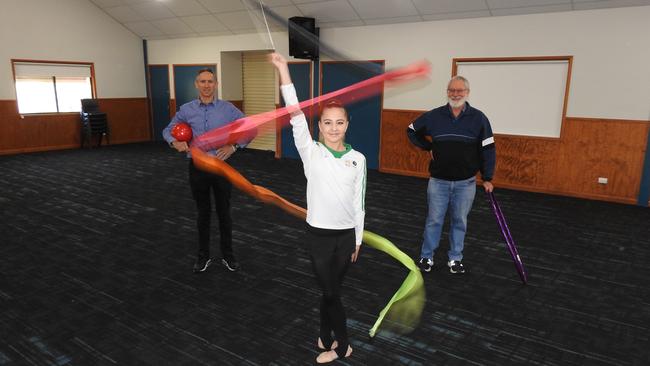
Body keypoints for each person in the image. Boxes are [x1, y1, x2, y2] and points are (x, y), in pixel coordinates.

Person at [269, 52, 365, 363]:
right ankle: (344, 344)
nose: (334, 128)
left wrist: (359, 239)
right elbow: (295, 112)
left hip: (346, 237)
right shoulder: (311, 152)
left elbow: (358, 203)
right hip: (319, 237)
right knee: (331, 292)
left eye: (339, 122)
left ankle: (326, 335)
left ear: (347, 124)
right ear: (319, 126)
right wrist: (284, 69)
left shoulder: (358, 159)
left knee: (331, 290)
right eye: (327, 123)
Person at [163, 68, 249, 273]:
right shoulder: (186, 109)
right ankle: (203, 257)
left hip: (221, 167)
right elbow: (167, 130)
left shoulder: (228, 109)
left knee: (224, 213)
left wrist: (234, 146)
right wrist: (174, 142)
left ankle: (228, 256)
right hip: (198, 167)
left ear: (216, 84)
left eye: (210, 81)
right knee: (203, 213)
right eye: (202, 81)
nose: (207, 85)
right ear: (196, 84)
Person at [407, 76, 495, 274]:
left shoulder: (479, 118)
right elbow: (411, 130)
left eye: (460, 90)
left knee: (459, 221)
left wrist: (488, 177)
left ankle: (455, 258)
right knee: (434, 220)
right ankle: (426, 256)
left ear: (467, 92)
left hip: (466, 183)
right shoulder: (434, 116)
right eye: (451, 90)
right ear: (447, 92)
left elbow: (488, 149)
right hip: (438, 181)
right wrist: (427, 146)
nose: (455, 94)